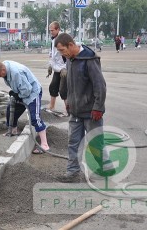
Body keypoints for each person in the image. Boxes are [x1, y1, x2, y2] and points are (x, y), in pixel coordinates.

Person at [54, 33, 111, 182]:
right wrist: (67, 100)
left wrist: (98, 107)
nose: (61, 54)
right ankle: (72, 172)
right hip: (76, 110)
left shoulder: (89, 59)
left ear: (71, 45)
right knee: (73, 142)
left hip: (91, 111)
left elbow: (100, 86)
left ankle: (105, 168)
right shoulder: (70, 60)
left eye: (62, 50)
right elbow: (70, 83)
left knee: (95, 142)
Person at [0, 61, 50, 154]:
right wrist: (15, 92)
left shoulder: (16, 73)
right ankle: (13, 131)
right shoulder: (4, 67)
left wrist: (17, 95)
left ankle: (45, 145)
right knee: (10, 110)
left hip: (33, 94)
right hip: (22, 93)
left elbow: (27, 90)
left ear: (3, 70)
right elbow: (18, 86)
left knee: (35, 118)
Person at [46, 21, 67, 112]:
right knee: (53, 87)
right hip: (57, 68)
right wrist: (50, 65)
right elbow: (52, 54)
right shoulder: (53, 40)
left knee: (63, 90)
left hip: (64, 69)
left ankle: (68, 109)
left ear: (58, 29)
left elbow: (69, 54)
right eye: (50, 31)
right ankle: (52, 106)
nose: (51, 32)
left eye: (52, 30)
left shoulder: (64, 39)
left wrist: (66, 68)